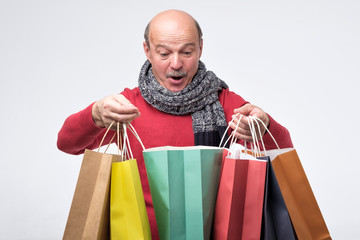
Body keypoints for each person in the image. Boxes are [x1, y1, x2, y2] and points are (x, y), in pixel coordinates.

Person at [57, 9, 293, 239]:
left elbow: (281, 151)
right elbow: (68, 144)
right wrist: (95, 114)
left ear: (200, 48)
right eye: (164, 53)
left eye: (187, 52)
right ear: (147, 51)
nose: (176, 63)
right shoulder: (127, 106)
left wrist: (265, 125)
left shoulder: (226, 104)